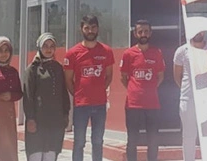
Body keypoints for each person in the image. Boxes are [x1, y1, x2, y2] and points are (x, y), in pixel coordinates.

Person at [64, 15, 114, 161]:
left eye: (93, 27)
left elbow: (109, 76)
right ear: (81, 29)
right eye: (87, 28)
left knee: (98, 141)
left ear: (97, 29)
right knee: (79, 142)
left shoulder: (106, 51)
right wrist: (78, 94)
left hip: (100, 105)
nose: (90, 31)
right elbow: (68, 80)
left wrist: (99, 90)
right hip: (81, 105)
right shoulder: (72, 53)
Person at [120, 20, 165, 161]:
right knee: (132, 140)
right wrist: (134, 89)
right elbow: (123, 78)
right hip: (133, 104)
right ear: (135, 33)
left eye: (146, 31)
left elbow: (160, 76)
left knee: (153, 140)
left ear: (150, 33)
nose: (143, 34)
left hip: (152, 104)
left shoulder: (157, 53)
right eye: (140, 31)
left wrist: (149, 89)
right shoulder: (128, 54)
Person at [24, 32, 71, 161]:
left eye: (52, 46)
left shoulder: (58, 68)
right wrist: (30, 118)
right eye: (45, 46)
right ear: (39, 47)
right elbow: (28, 96)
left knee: (51, 153)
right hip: (38, 120)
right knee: (36, 153)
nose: (49, 49)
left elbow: (63, 92)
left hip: (55, 120)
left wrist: (66, 113)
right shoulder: (32, 69)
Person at [173, 31, 207, 161]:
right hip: (188, 99)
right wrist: (188, 90)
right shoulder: (182, 51)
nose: (198, 33)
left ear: (204, 32)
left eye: (200, 30)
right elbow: (177, 76)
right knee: (188, 136)